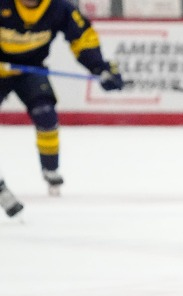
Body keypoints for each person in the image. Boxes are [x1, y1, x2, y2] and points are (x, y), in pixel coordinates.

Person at [0, 0, 124, 198]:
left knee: (46, 114)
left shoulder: (59, 8)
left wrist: (99, 68)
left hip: (31, 69)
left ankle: (51, 170)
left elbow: (83, 38)